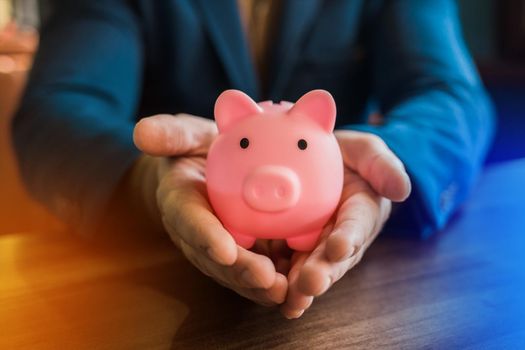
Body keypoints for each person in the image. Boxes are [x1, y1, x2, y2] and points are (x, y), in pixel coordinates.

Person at [12, 0, 494, 319]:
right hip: (145, 287)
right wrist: (149, 179)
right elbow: (57, 108)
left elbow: (451, 95)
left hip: (353, 292)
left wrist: (370, 164)